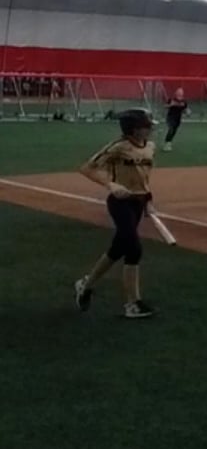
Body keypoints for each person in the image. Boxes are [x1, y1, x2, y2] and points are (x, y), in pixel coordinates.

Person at [73, 110, 159, 319]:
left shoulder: (150, 147)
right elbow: (87, 168)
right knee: (134, 248)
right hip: (120, 203)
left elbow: (144, 178)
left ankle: (86, 285)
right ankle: (133, 303)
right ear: (133, 129)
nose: (150, 129)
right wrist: (111, 185)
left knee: (118, 248)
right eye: (145, 126)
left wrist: (148, 200)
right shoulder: (118, 147)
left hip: (138, 202)